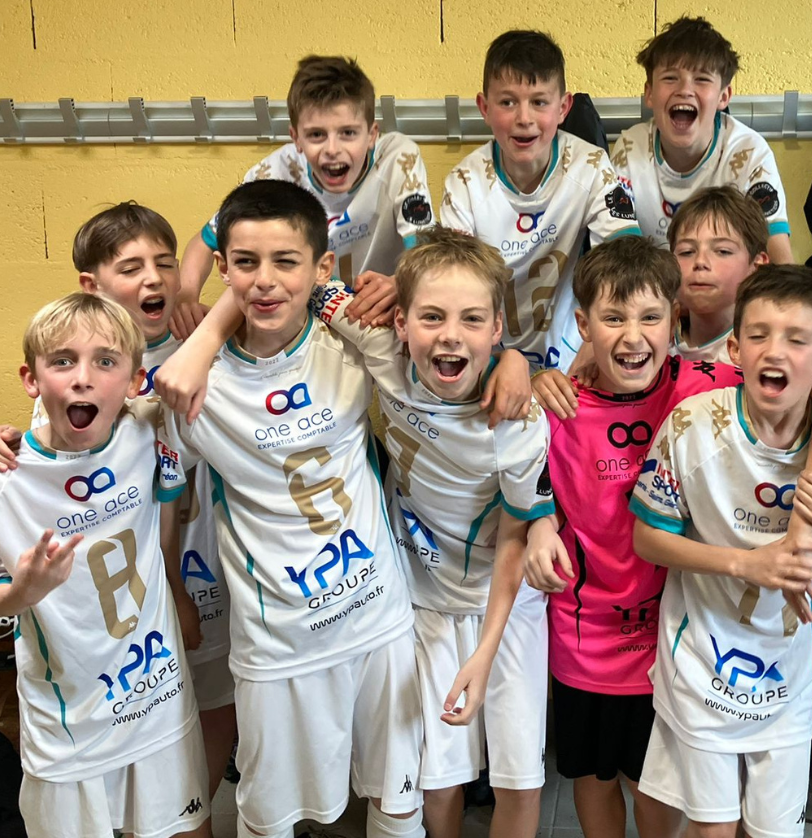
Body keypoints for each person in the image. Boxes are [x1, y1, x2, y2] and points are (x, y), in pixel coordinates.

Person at [159, 226, 546, 838]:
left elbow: (518, 534)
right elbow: (287, 281)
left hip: (502, 602)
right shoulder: (379, 346)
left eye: (472, 319)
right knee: (435, 780)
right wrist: (204, 337)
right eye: (431, 316)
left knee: (519, 779)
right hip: (419, 598)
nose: (450, 334)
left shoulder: (520, 422)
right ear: (400, 323)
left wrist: (520, 360)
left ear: (498, 327)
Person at [156, 180, 425, 838]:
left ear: (322, 266)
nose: (266, 281)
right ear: (223, 270)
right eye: (246, 262)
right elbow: (140, 481)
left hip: (377, 619)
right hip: (278, 644)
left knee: (398, 804)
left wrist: (514, 366)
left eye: (286, 261)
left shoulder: (353, 345)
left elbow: (456, 352)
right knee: (269, 818)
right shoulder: (193, 385)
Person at [0, 201, 236, 799]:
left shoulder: (202, 339)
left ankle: (191, 803)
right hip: (133, 564)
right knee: (143, 699)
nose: (153, 279)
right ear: (92, 285)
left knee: (215, 690)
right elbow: (48, 467)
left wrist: (205, 306)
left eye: (165, 264)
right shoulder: (76, 378)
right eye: (131, 267)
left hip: (208, 537)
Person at [630, 265, 812, 838]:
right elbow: (646, 538)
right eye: (759, 335)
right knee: (712, 829)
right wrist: (746, 563)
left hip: (790, 681)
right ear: (735, 349)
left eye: (797, 340)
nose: (775, 351)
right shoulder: (692, 426)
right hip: (699, 665)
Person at [175, 55, 433, 336]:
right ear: (296, 138)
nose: (332, 149)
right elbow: (206, 241)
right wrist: (186, 294)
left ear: (372, 135)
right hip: (305, 320)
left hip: (378, 313)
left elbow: (424, 246)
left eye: (348, 133)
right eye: (316, 135)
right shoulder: (275, 171)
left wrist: (402, 282)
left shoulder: (398, 158)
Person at [440, 29, 642, 373]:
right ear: (484, 108)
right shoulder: (464, 183)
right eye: (507, 102)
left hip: (574, 352)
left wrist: (597, 343)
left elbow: (626, 260)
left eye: (539, 102)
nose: (524, 118)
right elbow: (452, 288)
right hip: (491, 355)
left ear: (563, 108)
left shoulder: (591, 165)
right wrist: (495, 365)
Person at [610, 15, 793, 264]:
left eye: (702, 79)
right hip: (652, 286)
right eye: (670, 78)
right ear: (649, 93)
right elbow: (619, 256)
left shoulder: (749, 152)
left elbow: (778, 255)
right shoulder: (629, 149)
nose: (685, 90)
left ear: (724, 96)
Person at [668, 185, 770, 363]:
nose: (700, 262)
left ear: (757, 266)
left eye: (722, 251)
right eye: (686, 252)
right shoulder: (653, 341)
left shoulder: (765, 356)